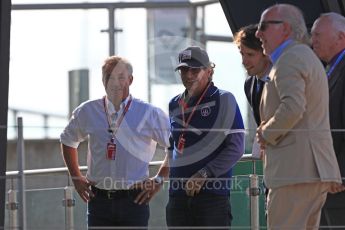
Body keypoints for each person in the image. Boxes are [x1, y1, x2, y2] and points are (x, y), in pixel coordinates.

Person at [255, 4, 343, 230]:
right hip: (309, 172)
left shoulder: (289, 58)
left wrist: (266, 133)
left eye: (263, 26)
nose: (258, 34)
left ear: (284, 29)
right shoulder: (304, 56)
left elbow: (293, 107)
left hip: (294, 173)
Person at [60, 55, 170, 229]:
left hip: (134, 200)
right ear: (103, 81)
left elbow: (176, 148)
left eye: (120, 77)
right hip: (98, 202)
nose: (114, 82)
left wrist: (158, 181)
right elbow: (67, 141)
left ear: (130, 79)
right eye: (109, 76)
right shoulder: (88, 110)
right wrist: (75, 177)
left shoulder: (149, 113)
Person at [164, 46, 245, 228]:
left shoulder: (224, 99)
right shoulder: (174, 103)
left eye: (195, 70)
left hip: (211, 197)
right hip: (177, 198)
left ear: (209, 71)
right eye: (184, 70)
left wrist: (204, 174)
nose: (189, 75)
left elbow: (236, 148)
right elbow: (172, 145)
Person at [311, 12, 345, 229]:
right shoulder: (329, 70)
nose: (312, 40)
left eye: (317, 35)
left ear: (340, 36)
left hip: (339, 183)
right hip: (326, 181)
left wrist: (340, 173)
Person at [234, 24, 271, 218]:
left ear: (264, 52)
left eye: (250, 55)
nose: (244, 61)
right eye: (242, 54)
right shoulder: (250, 84)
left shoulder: (281, 76)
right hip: (269, 165)